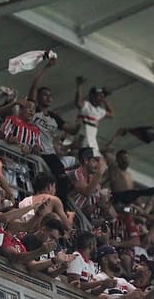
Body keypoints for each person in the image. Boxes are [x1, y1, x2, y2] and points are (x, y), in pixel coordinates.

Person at [28, 58, 79, 201]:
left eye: (50, 95)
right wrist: (45, 68)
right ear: (38, 97)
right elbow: (34, 88)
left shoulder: (54, 118)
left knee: (63, 178)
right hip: (35, 149)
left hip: (49, 153)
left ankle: (59, 203)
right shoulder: (33, 111)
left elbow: (72, 130)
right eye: (45, 95)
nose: (49, 97)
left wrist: (81, 120)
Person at [75, 76, 114, 156]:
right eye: (99, 96)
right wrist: (79, 86)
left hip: (93, 140)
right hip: (83, 137)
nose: (101, 98)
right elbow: (78, 102)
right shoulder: (86, 105)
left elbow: (111, 114)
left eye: (102, 97)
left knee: (95, 157)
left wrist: (104, 99)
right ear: (92, 96)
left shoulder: (100, 111)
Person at [69, 147, 105, 219]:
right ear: (86, 160)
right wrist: (100, 172)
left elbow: (85, 210)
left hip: (77, 216)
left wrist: (99, 203)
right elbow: (86, 192)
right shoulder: (75, 174)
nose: (98, 165)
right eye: (95, 161)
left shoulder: (90, 179)